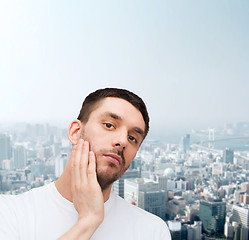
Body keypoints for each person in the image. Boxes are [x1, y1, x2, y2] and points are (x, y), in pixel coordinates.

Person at [0, 88, 171, 240]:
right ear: (75, 132)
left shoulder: (152, 230)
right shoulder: (10, 213)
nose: (122, 141)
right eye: (109, 125)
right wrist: (88, 222)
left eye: (133, 138)